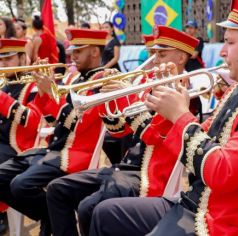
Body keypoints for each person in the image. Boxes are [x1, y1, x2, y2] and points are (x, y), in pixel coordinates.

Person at [89, 0, 238, 235]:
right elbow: (196, 138)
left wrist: (181, 116)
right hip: (199, 204)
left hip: (226, 223)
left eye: (229, 42)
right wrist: (171, 115)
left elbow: (222, 173)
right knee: (105, 214)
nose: (223, 51)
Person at [46, 25, 200, 236]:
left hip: (150, 176)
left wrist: (125, 97)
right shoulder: (148, 84)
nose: (154, 59)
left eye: (161, 54)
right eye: (153, 53)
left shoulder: (186, 94)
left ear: (182, 58)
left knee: (88, 207)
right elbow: (118, 131)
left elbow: (154, 136)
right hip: (125, 167)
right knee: (57, 189)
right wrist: (107, 96)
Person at [0, 28, 109, 236]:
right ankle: (48, 216)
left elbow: (78, 123)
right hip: (54, 149)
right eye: (72, 50)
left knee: (21, 185)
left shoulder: (102, 83)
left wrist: (52, 94)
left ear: (95, 52)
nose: (72, 55)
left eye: (78, 51)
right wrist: (45, 92)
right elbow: (55, 121)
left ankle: (49, 217)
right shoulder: (72, 79)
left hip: (75, 155)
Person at [0, 38, 42, 235]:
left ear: (22, 58)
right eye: (1, 60)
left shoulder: (33, 87)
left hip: (19, 148)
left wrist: (2, 99)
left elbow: (33, 121)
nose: (3, 64)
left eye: (8, 59)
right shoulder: (4, 84)